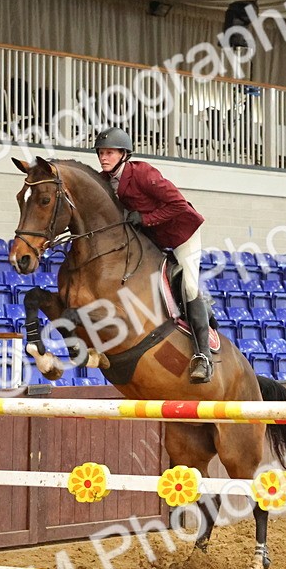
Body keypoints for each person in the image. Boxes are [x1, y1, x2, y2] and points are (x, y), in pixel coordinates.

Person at [95, 126, 212, 383]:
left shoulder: (143, 173)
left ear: (124, 154)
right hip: (153, 240)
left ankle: (203, 355)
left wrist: (146, 219)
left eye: (110, 153)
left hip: (182, 234)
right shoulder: (106, 182)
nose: (104, 157)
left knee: (190, 287)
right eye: (101, 153)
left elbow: (178, 205)